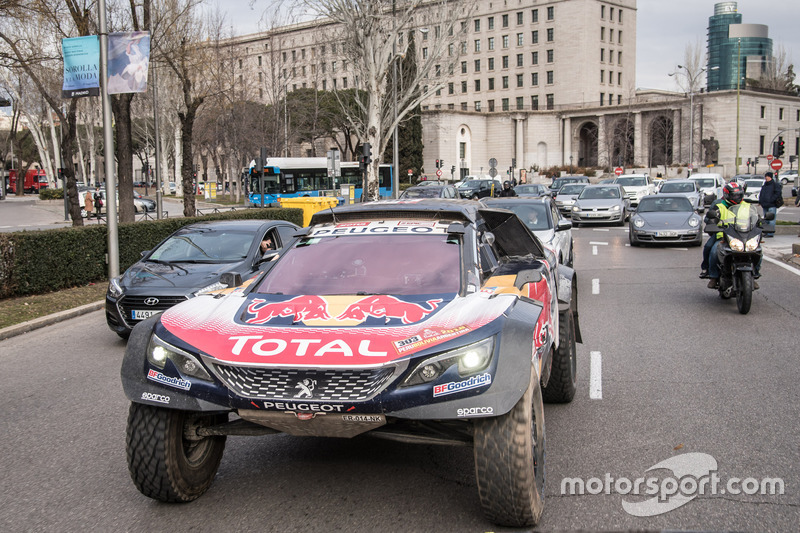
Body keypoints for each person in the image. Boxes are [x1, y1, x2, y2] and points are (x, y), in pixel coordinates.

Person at [706, 182, 761, 289]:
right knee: (712, 250)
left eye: (739, 195)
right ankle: (713, 276)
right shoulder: (719, 206)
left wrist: (761, 224)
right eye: (734, 195)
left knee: (758, 251)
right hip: (724, 235)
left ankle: (754, 275)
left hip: (743, 235)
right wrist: (712, 223)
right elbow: (710, 219)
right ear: (727, 195)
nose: (737, 197)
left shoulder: (747, 206)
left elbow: (755, 219)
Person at [758, 171, 781, 237]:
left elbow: (777, 193)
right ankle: (766, 231)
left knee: (771, 219)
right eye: (766, 176)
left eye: (767, 176)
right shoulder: (765, 185)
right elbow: (762, 194)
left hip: (772, 204)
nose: (766, 178)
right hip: (764, 204)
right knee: (766, 220)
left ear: (770, 177)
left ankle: (770, 233)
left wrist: (771, 200)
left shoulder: (775, 185)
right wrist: (760, 201)